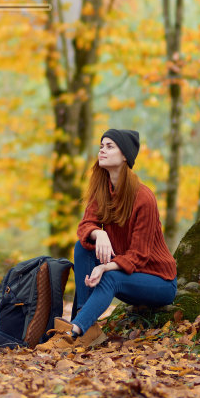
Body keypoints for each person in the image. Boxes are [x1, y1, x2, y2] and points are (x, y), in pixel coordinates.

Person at [37, 128, 177, 352]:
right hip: (127, 272)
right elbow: (85, 226)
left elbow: (139, 256)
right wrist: (99, 233)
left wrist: (104, 267)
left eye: (110, 146)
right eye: (101, 146)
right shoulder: (103, 190)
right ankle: (85, 326)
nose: (102, 150)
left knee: (109, 277)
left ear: (125, 156)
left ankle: (73, 332)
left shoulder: (144, 198)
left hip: (158, 280)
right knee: (82, 247)